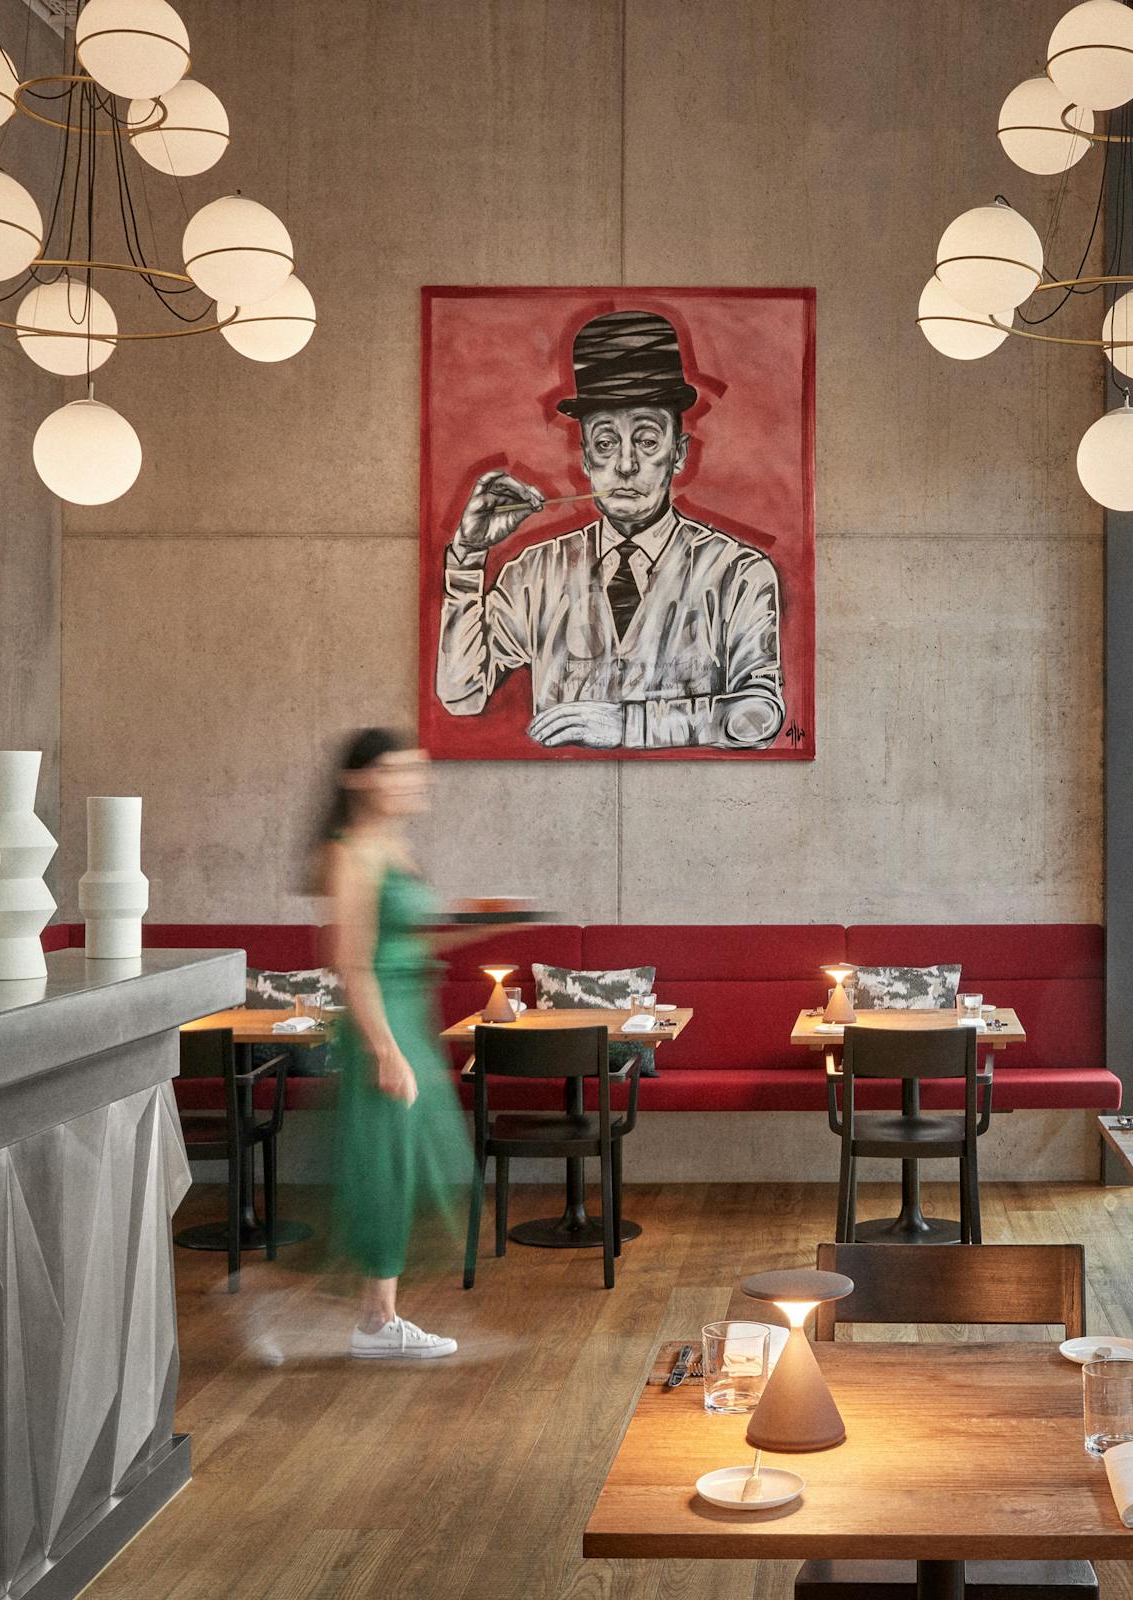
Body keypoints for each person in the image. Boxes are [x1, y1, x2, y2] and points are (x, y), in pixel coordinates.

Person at [434, 308, 785, 751]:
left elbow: (760, 716)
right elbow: (461, 695)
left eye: (647, 440)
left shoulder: (738, 572)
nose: (625, 464)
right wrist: (467, 560)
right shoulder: (534, 573)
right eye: (605, 443)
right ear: (585, 459)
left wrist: (628, 725)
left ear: (678, 454)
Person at [309, 728, 476, 1358]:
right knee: (384, 1166)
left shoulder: (393, 847)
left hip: (409, 1018)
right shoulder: (351, 853)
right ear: (359, 779)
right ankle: (376, 1323)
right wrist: (384, 1050)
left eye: (416, 770)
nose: (413, 781)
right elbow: (352, 962)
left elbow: (410, 942)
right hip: (381, 1026)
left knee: (404, 1165)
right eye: (398, 770)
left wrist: (488, 925)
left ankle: (378, 1318)